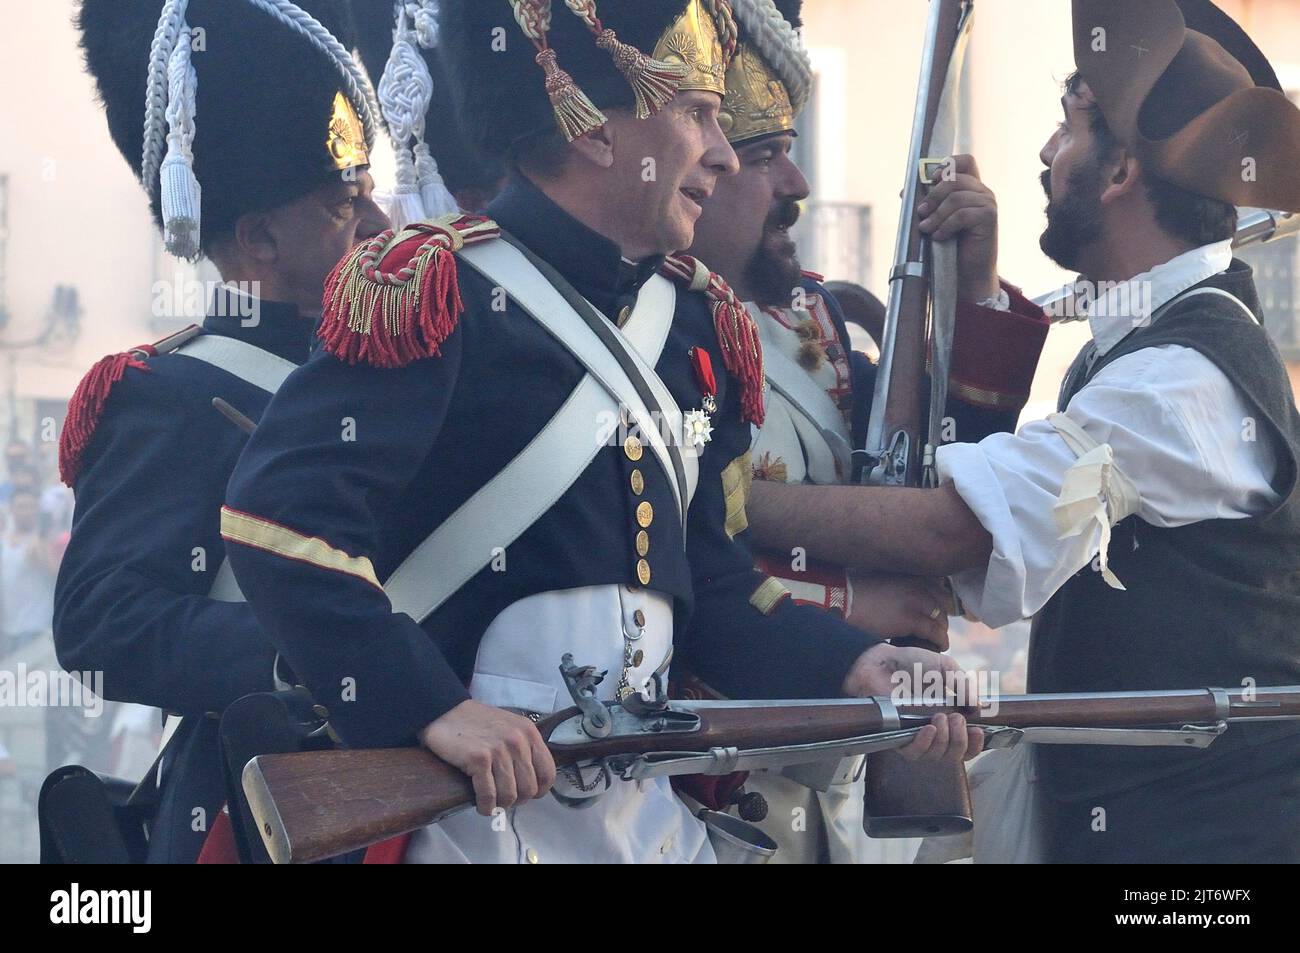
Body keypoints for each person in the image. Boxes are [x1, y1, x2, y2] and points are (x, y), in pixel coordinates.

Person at [222, 0, 978, 865]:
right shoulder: (437, 292)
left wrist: (854, 665)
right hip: (463, 825)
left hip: (636, 820)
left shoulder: (697, 323)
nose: (724, 154)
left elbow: (715, 590)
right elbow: (276, 517)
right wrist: (429, 709)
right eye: (696, 112)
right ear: (592, 132)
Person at [743, 0, 1300, 862]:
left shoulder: (1178, 377)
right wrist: (972, 293)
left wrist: (731, 500)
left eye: (1067, 129)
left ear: (1118, 174)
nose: (1045, 154)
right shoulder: (1147, 343)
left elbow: (953, 528)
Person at [680, 0, 1048, 864]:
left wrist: (973, 280)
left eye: (787, 150)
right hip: (714, 779)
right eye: (765, 155)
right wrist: (851, 610)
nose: (797, 184)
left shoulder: (816, 317)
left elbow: (944, 468)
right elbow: (677, 562)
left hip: (841, 768)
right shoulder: (655, 325)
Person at [52, 0, 388, 863]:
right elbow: (104, 622)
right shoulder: (171, 393)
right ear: (259, 238)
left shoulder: (391, 375)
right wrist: (318, 654)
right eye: (343, 206)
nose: (382, 225)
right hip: (251, 807)